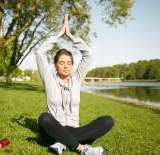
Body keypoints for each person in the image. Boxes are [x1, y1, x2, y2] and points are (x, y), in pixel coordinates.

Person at [35, 15, 114, 155]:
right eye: (61, 63)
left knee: (107, 121)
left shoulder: (77, 78)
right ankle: (82, 148)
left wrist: (70, 35)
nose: (66, 66)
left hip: (74, 129)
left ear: (72, 65)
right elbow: (40, 52)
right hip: (53, 129)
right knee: (44, 118)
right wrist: (59, 35)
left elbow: (88, 55)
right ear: (55, 65)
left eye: (69, 63)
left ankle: (62, 142)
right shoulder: (49, 79)